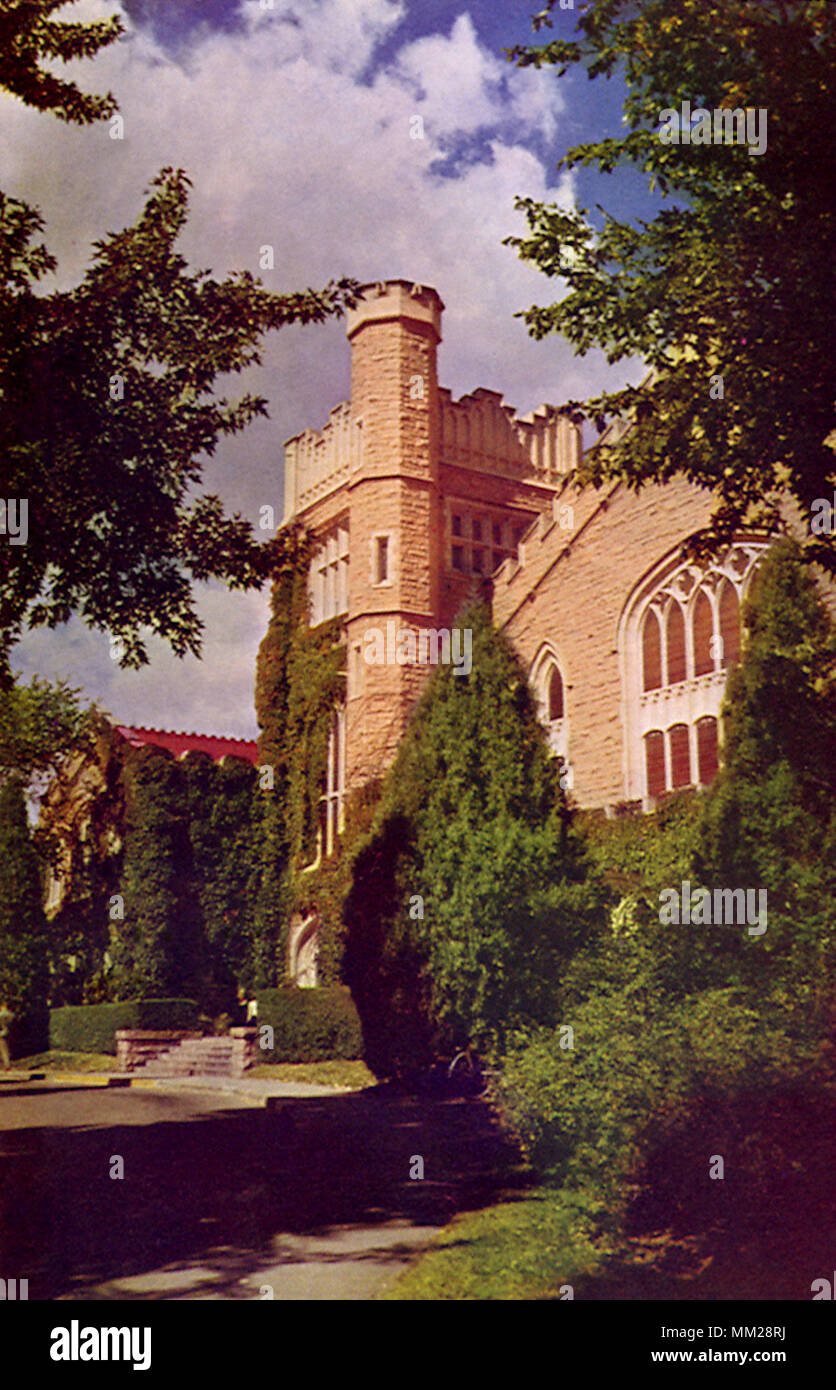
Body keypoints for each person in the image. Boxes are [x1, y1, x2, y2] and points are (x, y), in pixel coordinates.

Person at [0, 1001, 14, 1070]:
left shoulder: (1, 1015)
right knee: (6, 1050)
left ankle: (7, 1065)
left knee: (3, 1050)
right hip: (8, 1032)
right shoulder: (11, 1014)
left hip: (1, 1033)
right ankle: (7, 1064)